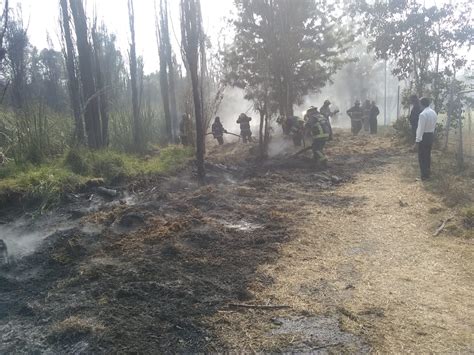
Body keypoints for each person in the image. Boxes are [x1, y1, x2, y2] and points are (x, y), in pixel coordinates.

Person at [412, 97, 437, 181]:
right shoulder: (433, 112)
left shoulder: (423, 114)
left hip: (424, 137)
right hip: (431, 135)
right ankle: (427, 174)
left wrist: (417, 141)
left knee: (422, 157)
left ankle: (424, 176)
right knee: (428, 156)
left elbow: (420, 129)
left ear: (421, 104)